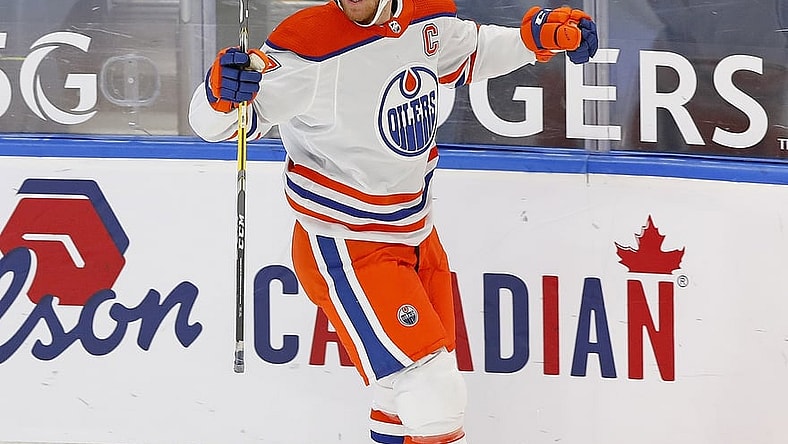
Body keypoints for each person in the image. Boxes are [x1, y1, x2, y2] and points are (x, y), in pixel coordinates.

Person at [188, 1, 597, 442]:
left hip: (418, 232)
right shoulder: (307, 43)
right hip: (346, 244)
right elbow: (225, 124)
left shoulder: (427, 16)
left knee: (399, 400)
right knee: (434, 395)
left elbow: (473, 50)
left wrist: (531, 39)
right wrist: (219, 94)